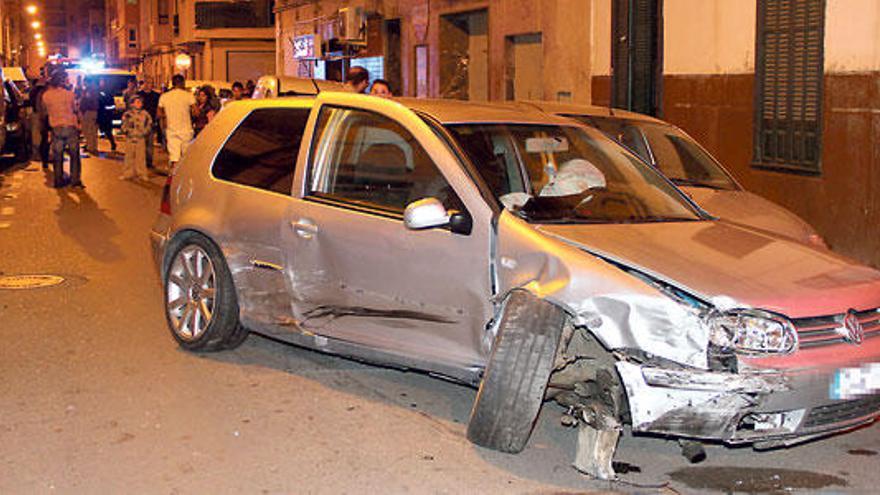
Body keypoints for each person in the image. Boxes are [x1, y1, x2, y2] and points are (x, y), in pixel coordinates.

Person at [42, 72, 82, 188]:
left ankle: (58, 180)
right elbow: (74, 109)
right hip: (70, 125)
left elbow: (45, 112)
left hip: (56, 126)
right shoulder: (69, 94)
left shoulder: (46, 95)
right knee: (74, 154)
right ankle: (75, 180)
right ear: (63, 81)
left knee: (58, 155)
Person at [158, 74, 196, 170]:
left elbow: (159, 113)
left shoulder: (164, 96)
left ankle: (173, 175)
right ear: (183, 83)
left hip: (171, 130)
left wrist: (165, 120)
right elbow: (196, 112)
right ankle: (185, 175)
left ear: (173, 83)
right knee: (186, 156)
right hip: (186, 130)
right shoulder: (188, 96)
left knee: (174, 157)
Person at [119, 95, 152, 181]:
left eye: (141, 102)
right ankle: (127, 173)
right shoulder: (127, 114)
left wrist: (144, 132)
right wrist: (127, 131)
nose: (139, 104)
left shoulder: (145, 114)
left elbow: (149, 124)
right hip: (130, 138)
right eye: (137, 102)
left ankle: (141, 173)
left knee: (140, 157)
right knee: (129, 156)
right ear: (132, 104)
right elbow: (123, 124)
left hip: (141, 138)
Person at [137, 79, 161, 168]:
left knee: (150, 143)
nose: (148, 85)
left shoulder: (156, 96)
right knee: (142, 142)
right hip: (141, 121)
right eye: (146, 83)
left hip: (151, 121)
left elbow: (158, 109)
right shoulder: (139, 95)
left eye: (150, 83)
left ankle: (149, 161)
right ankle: (142, 160)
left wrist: (156, 119)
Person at [29, 79, 51, 167]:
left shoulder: (34, 92)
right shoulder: (42, 93)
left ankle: (38, 155)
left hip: (37, 115)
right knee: (41, 137)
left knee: (38, 136)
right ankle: (40, 155)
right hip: (41, 116)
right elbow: (41, 106)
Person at [79, 79, 100, 155]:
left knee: (89, 130)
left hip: (89, 111)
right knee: (92, 131)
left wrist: (82, 107)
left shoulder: (90, 90)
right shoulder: (94, 89)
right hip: (92, 111)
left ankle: (91, 147)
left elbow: (87, 101)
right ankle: (91, 146)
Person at [97, 79, 117, 152]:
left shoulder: (109, 93)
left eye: (102, 82)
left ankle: (113, 143)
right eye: (100, 82)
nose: (101, 84)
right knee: (102, 129)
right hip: (101, 114)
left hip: (107, 115)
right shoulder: (99, 92)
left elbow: (112, 106)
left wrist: (107, 108)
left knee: (108, 131)